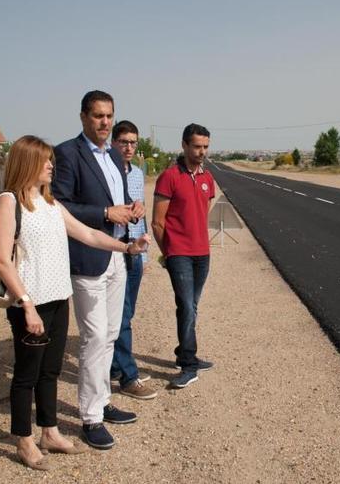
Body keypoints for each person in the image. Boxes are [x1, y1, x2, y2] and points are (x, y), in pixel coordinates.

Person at [0, 135, 149, 470]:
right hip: (30, 305)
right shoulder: (9, 202)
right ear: (27, 163)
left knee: (50, 371)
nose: (51, 165)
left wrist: (128, 248)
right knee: (26, 375)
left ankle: (50, 432)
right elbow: (2, 261)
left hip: (59, 298)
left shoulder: (50, 204)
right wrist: (27, 305)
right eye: (45, 160)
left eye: (51, 159)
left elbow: (89, 234)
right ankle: (24, 441)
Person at [51, 90, 145, 450]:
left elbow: (112, 203)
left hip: (117, 256)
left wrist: (128, 209)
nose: (104, 122)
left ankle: (103, 403)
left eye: (109, 116)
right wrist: (107, 213)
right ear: (83, 117)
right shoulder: (68, 153)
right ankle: (90, 419)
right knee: (92, 339)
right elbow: (61, 205)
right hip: (88, 260)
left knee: (109, 335)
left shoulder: (114, 158)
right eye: (98, 116)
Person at [152, 123, 216, 389]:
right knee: (187, 306)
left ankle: (184, 353)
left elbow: (204, 211)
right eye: (197, 146)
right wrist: (168, 253)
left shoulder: (207, 178)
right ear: (184, 146)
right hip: (179, 254)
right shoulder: (169, 176)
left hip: (203, 254)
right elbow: (158, 222)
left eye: (205, 147)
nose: (202, 152)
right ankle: (189, 365)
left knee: (192, 306)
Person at [109, 120, 158, 400]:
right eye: (123, 141)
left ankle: (116, 366)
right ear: (114, 143)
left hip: (136, 251)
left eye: (133, 142)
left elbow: (142, 212)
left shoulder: (138, 174)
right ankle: (129, 376)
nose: (128, 147)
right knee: (122, 314)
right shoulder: (107, 172)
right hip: (116, 249)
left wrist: (145, 252)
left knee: (127, 313)